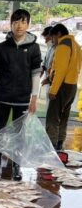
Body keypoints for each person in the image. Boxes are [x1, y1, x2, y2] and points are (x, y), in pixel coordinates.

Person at [0, 9, 42, 181]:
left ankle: (16, 166)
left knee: (20, 134)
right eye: (16, 22)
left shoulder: (34, 48)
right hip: (3, 97)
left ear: (28, 24)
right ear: (10, 24)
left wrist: (34, 98)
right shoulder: (1, 48)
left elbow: (35, 75)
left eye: (23, 22)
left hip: (22, 99)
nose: (19, 26)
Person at [46, 23, 82, 151]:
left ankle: (51, 145)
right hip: (72, 86)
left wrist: (53, 90)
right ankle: (60, 143)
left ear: (59, 34)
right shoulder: (77, 46)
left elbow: (60, 71)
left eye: (53, 38)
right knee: (64, 117)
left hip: (61, 86)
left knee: (52, 117)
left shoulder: (63, 46)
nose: (53, 41)